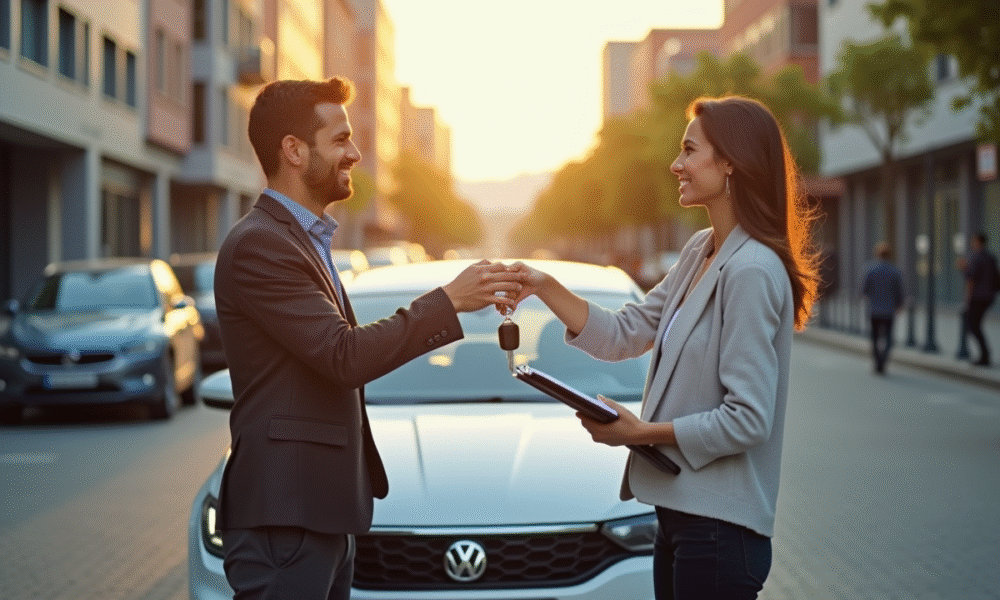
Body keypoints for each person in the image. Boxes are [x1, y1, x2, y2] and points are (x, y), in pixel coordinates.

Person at [213, 77, 521, 600]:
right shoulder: (262, 246)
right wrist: (448, 301)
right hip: (285, 519)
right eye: (340, 140)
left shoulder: (301, 239)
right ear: (293, 150)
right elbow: (343, 355)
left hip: (318, 514)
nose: (355, 153)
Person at [506, 96, 820, 599]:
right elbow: (624, 331)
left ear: (731, 163)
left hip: (720, 530)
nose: (676, 165)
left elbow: (748, 419)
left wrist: (641, 432)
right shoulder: (701, 251)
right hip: (681, 521)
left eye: (689, 151)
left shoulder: (752, 271)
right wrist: (543, 285)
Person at [861, 241, 905, 374]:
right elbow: (899, 291)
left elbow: (864, 290)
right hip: (889, 310)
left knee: (874, 337)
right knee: (888, 337)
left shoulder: (870, 269)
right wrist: (899, 305)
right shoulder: (895, 271)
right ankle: (883, 360)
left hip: (874, 309)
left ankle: (877, 361)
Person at [959, 232, 999, 366]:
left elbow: (971, 278)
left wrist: (963, 267)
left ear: (977, 242)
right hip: (989, 296)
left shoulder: (976, 257)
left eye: (973, 240)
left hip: (978, 296)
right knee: (975, 325)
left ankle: (985, 355)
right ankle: (985, 355)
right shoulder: (990, 257)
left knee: (972, 325)